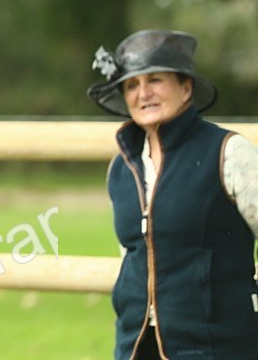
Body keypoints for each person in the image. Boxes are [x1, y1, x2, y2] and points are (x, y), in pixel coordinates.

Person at [88, 29, 258, 360]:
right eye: (132, 85)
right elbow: (132, 255)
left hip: (220, 348)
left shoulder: (229, 153)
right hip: (135, 347)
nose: (143, 93)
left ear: (185, 88)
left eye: (155, 80)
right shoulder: (121, 169)